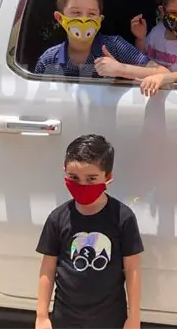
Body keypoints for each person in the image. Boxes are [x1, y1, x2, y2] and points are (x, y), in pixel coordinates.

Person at [35, 134, 143, 329]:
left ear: (107, 177)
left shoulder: (123, 218)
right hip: (65, 319)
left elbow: (132, 269)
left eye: (91, 179)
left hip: (110, 319)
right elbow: (48, 269)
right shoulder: (57, 218)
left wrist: (134, 317)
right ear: (65, 173)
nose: (82, 185)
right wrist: (42, 316)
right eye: (74, 178)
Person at [34, 0, 169, 94]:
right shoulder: (48, 60)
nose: (84, 20)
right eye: (76, 13)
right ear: (60, 18)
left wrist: (120, 69)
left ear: (100, 19)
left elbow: (163, 72)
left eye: (92, 14)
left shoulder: (115, 46)